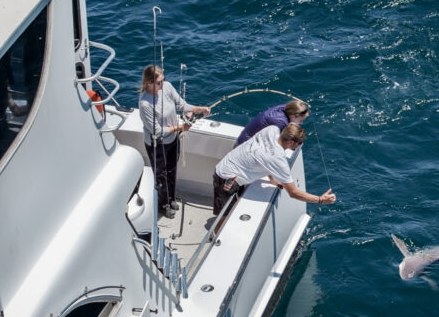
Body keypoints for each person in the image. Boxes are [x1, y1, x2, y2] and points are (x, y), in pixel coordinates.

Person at [213, 122, 335, 230]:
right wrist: (320, 200)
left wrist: (273, 180)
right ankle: (215, 236)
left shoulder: (271, 129)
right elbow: (293, 193)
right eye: (299, 143)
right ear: (291, 142)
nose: (299, 145)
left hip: (229, 162)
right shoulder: (278, 160)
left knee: (235, 202)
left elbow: (266, 160)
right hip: (226, 178)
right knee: (225, 212)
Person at [139, 64, 211, 219]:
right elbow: (157, 131)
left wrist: (200, 109)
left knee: (172, 170)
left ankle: (170, 198)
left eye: (163, 80)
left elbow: (182, 105)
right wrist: (180, 127)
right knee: (161, 176)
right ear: (149, 83)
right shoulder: (145, 103)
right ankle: (162, 205)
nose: (162, 84)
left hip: (172, 140)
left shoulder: (167, 87)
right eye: (159, 82)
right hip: (157, 145)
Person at [235, 99, 309, 145]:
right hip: (245, 146)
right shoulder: (281, 123)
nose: (301, 123)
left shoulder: (284, 108)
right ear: (293, 116)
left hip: (243, 139)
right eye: (300, 121)